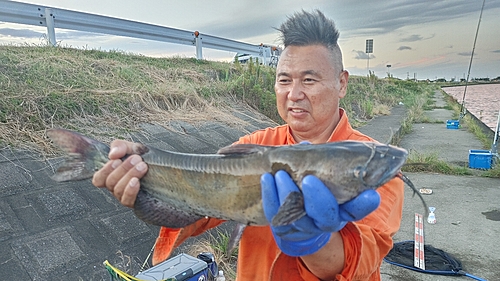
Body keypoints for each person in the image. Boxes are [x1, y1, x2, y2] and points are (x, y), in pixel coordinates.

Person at [92, 9, 404, 281]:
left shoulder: (375, 166)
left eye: (309, 80)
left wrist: (316, 242)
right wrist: (147, 188)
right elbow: (203, 203)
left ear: (342, 83)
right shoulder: (256, 145)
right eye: (284, 80)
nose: (294, 93)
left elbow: (363, 257)